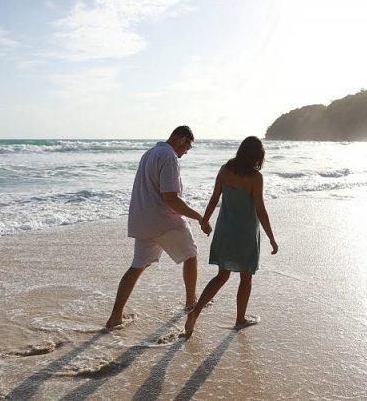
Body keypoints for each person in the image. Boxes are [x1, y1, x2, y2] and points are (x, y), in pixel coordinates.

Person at [106, 126, 212, 329]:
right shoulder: (169, 156)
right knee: (191, 255)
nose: (185, 153)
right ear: (182, 139)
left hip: (143, 220)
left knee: (137, 266)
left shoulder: (149, 153)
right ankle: (191, 302)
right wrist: (200, 218)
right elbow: (171, 198)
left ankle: (115, 316)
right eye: (187, 147)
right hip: (164, 221)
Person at [184, 136, 278, 336]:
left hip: (225, 231)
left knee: (221, 276)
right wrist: (271, 237)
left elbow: (214, 197)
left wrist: (205, 220)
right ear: (257, 156)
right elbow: (260, 210)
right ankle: (240, 319)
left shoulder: (225, 170)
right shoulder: (255, 177)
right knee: (246, 278)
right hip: (245, 234)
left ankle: (195, 312)